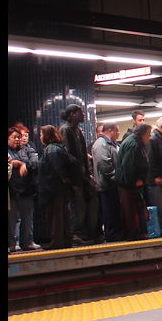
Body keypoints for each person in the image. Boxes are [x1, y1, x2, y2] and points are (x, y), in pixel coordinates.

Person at [58, 103, 101, 244]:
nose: (83, 115)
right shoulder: (66, 130)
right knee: (78, 206)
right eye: (80, 112)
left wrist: (87, 174)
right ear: (72, 115)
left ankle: (89, 232)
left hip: (82, 175)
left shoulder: (77, 130)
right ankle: (76, 234)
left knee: (90, 203)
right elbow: (69, 155)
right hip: (75, 177)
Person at [38, 125, 75, 249]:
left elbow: (57, 167)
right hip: (60, 189)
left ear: (47, 135)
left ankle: (57, 242)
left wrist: (64, 178)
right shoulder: (59, 148)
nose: (40, 137)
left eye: (41, 134)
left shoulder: (51, 149)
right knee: (63, 215)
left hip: (53, 189)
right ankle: (66, 240)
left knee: (55, 216)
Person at [115, 123, 152, 240]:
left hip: (128, 183)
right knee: (131, 211)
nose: (150, 136)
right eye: (148, 134)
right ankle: (133, 235)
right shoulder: (134, 144)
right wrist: (135, 181)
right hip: (129, 184)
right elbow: (128, 166)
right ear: (143, 133)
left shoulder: (133, 141)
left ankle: (135, 233)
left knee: (131, 210)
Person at [8, 126, 41, 252]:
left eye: (18, 137)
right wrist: (16, 163)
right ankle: (13, 243)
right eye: (14, 137)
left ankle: (28, 241)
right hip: (12, 191)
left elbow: (35, 164)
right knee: (13, 219)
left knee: (28, 218)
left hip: (27, 189)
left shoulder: (27, 150)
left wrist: (23, 164)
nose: (17, 140)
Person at [91, 122, 124, 242]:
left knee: (114, 211)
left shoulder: (109, 143)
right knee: (109, 212)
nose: (118, 134)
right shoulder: (101, 144)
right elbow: (104, 164)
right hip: (106, 185)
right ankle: (112, 235)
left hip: (111, 184)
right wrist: (116, 177)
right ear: (110, 131)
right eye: (117, 131)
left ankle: (115, 234)